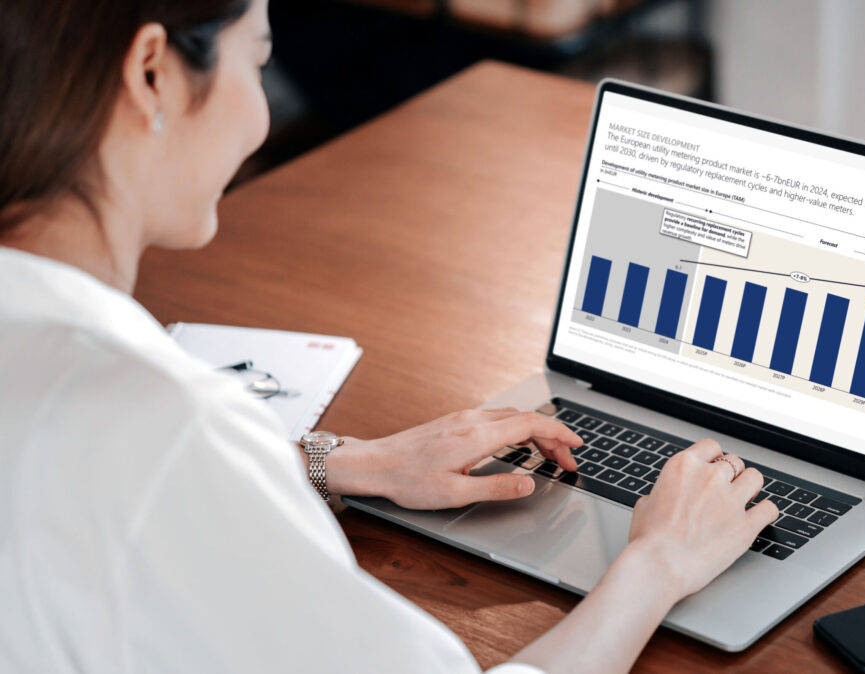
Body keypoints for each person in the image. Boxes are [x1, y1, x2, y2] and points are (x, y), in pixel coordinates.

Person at [0, 1, 779, 672]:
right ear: (150, 74)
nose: (261, 111)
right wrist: (658, 563)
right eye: (258, 58)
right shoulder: (165, 420)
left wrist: (347, 462)